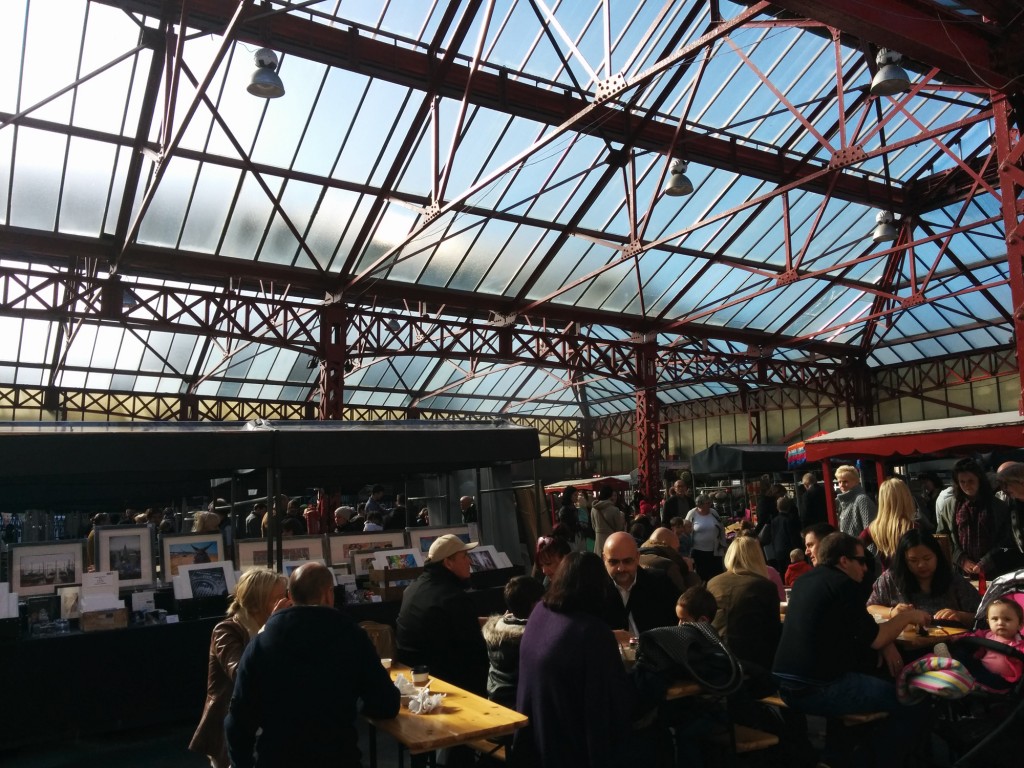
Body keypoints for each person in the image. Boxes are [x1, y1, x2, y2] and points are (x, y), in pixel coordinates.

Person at [772, 533, 932, 768]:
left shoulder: (806, 581)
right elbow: (875, 639)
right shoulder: (843, 585)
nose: (866, 568)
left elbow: (855, 632)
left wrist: (885, 641)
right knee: (909, 700)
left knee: (860, 686)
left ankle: (835, 759)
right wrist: (909, 616)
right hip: (818, 687)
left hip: (785, 683)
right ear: (843, 561)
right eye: (861, 561)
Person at [225, 563, 399, 768]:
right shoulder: (352, 637)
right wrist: (359, 704)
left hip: (277, 759)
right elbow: (386, 703)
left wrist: (242, 764)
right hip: (338, 758)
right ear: (328, 594)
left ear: (290, 596)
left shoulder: (261, 643)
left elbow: (238, 721)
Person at [515, 551, 635, 768]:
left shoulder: (540, 613)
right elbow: (613, 698)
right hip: (572, 745)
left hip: (536, 736)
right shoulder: (591, 631)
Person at [189, 568, 288, 768]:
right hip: (232, 728)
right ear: (256, 604)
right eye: (278, 598)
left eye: (285, 596)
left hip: (266, 725)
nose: (284, 603)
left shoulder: (279, 628)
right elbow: (240, 672)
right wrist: (268, 630)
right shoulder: (226, 631)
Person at [396, 534, 489, 695]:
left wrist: (493, 622)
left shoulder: (413, 588)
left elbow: (445, 624)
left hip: (415, 673)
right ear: (448, 562)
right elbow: (475, 650)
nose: (470, 561)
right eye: (465, 556)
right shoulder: (452, 597)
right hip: (444, 683)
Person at [866, 529, 980, 627]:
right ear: (904, 561)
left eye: (927, 558)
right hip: (905, 646)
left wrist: (960, 616)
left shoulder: (953, 580)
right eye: (913, 560)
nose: (921, 565)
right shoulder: (890, 579)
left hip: (949, 645)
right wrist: (892, 613)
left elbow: (983, 616)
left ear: (937, 556)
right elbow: (870, 608)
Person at [706, 536, 781, 675]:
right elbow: (773, 630)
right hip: (752, 660)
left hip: (716, 655)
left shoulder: (713, 583)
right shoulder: (764, 586)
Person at [936, 457, 1011, 577]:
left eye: (971, 481)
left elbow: (1006, 540)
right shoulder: (950, 506)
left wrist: (987, 561)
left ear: (979, 479)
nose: (967, 485)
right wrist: (960, 559)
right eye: (962, 482)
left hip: (992, 571)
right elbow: (942, 538)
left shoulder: (998, 506)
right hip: (961, 572)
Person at [481, 575, 545, 708]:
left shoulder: (497, 630)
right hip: (522, 708)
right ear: (535, 605)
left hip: (495, 703)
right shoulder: (533, 637)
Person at [601, 531, 680, 637]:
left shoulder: (660, 583)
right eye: (614, 562)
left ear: (637, 557)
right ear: (604, 559)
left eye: (627, 561)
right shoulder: (595, 590)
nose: (621, 568)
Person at [937, 597, 1024, 691]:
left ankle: (965, 677)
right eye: (995, 619)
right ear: (988, 622)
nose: (1000, 623)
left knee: (982, 675)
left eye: (1007, 619)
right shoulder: (986, 634)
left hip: (1002, 680)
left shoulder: (1020, 643)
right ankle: (951, 661)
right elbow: (971, 636)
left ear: (1020, 624)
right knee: (963, 651)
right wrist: (957, 638)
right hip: (981, 667)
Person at [860, 477, 917, 571]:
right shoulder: (912, 526)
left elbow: (854, 548)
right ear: (904, 498)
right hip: (909, 579)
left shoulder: (874, 528)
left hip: (886, 580)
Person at [639, 527, 696, 593]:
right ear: (666, 545)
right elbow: (688, 599)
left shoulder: (636, 557)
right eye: (676, 548)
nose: (678, 553)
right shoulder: (669, 566)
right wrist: (690, 572)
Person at [685, 493, 727, 582]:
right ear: (700, 504)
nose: (710, 505)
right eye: (707, 503)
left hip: (715, 550)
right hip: (699, 551)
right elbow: (685, 529)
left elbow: (721, 528)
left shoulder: (713, 512)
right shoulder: (692, 514)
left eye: (709, 502)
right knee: (702, 575)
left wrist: (723, 543)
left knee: (717, 575)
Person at [834, 464, 877, 537]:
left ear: (855, 482)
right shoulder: (841, 501)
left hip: (860, 547)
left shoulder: (861, 499)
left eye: (845, 481)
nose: (841, 485)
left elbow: (870, 530)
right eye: (839, 482)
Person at [590, 484, 625, 554]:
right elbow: (619, 528)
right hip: (611, 541)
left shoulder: (594, 509)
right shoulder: (614, 510)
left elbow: (593, 526)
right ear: (610, 495)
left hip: (598, 542)